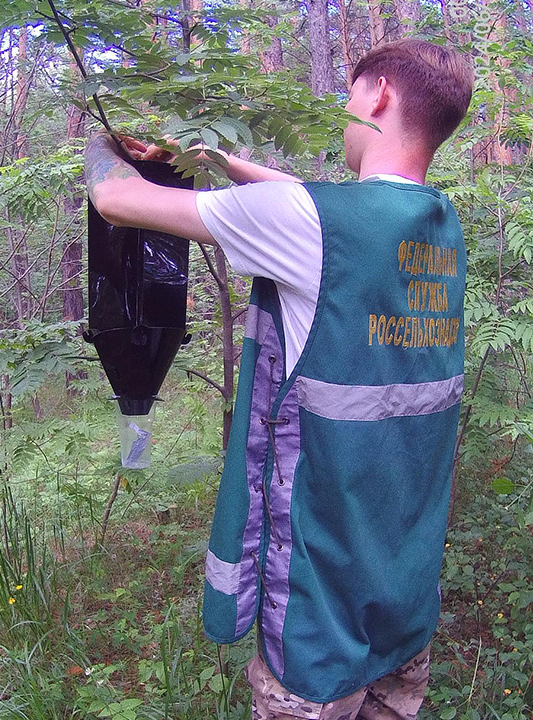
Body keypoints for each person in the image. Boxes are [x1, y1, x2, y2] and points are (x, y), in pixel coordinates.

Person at [84, 39, 473, 718]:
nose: (348, 111)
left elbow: (115, 201)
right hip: (403, 604)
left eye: (352, 96)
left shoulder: (314, 227)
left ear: (379, 94)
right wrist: (214, 160)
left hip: (317, 620)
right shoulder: (438, 228)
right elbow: (311, 206)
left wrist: (100, 144)